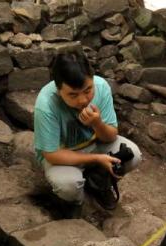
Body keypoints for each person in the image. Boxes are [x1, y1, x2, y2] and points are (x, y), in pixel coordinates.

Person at [34, 52, 142, 212]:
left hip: (94, 144)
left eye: (87, 90)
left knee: (133, 155)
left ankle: (98, 183)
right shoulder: (46, 105)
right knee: (68, 187)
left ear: (92, 78)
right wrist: (97, 159)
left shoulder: (101, 87)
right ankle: (77, 202)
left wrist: (97, 123)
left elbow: (111, 136)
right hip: (63, 155)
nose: (83, 100)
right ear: (58, 89)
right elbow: (52, 154)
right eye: (73, 95)